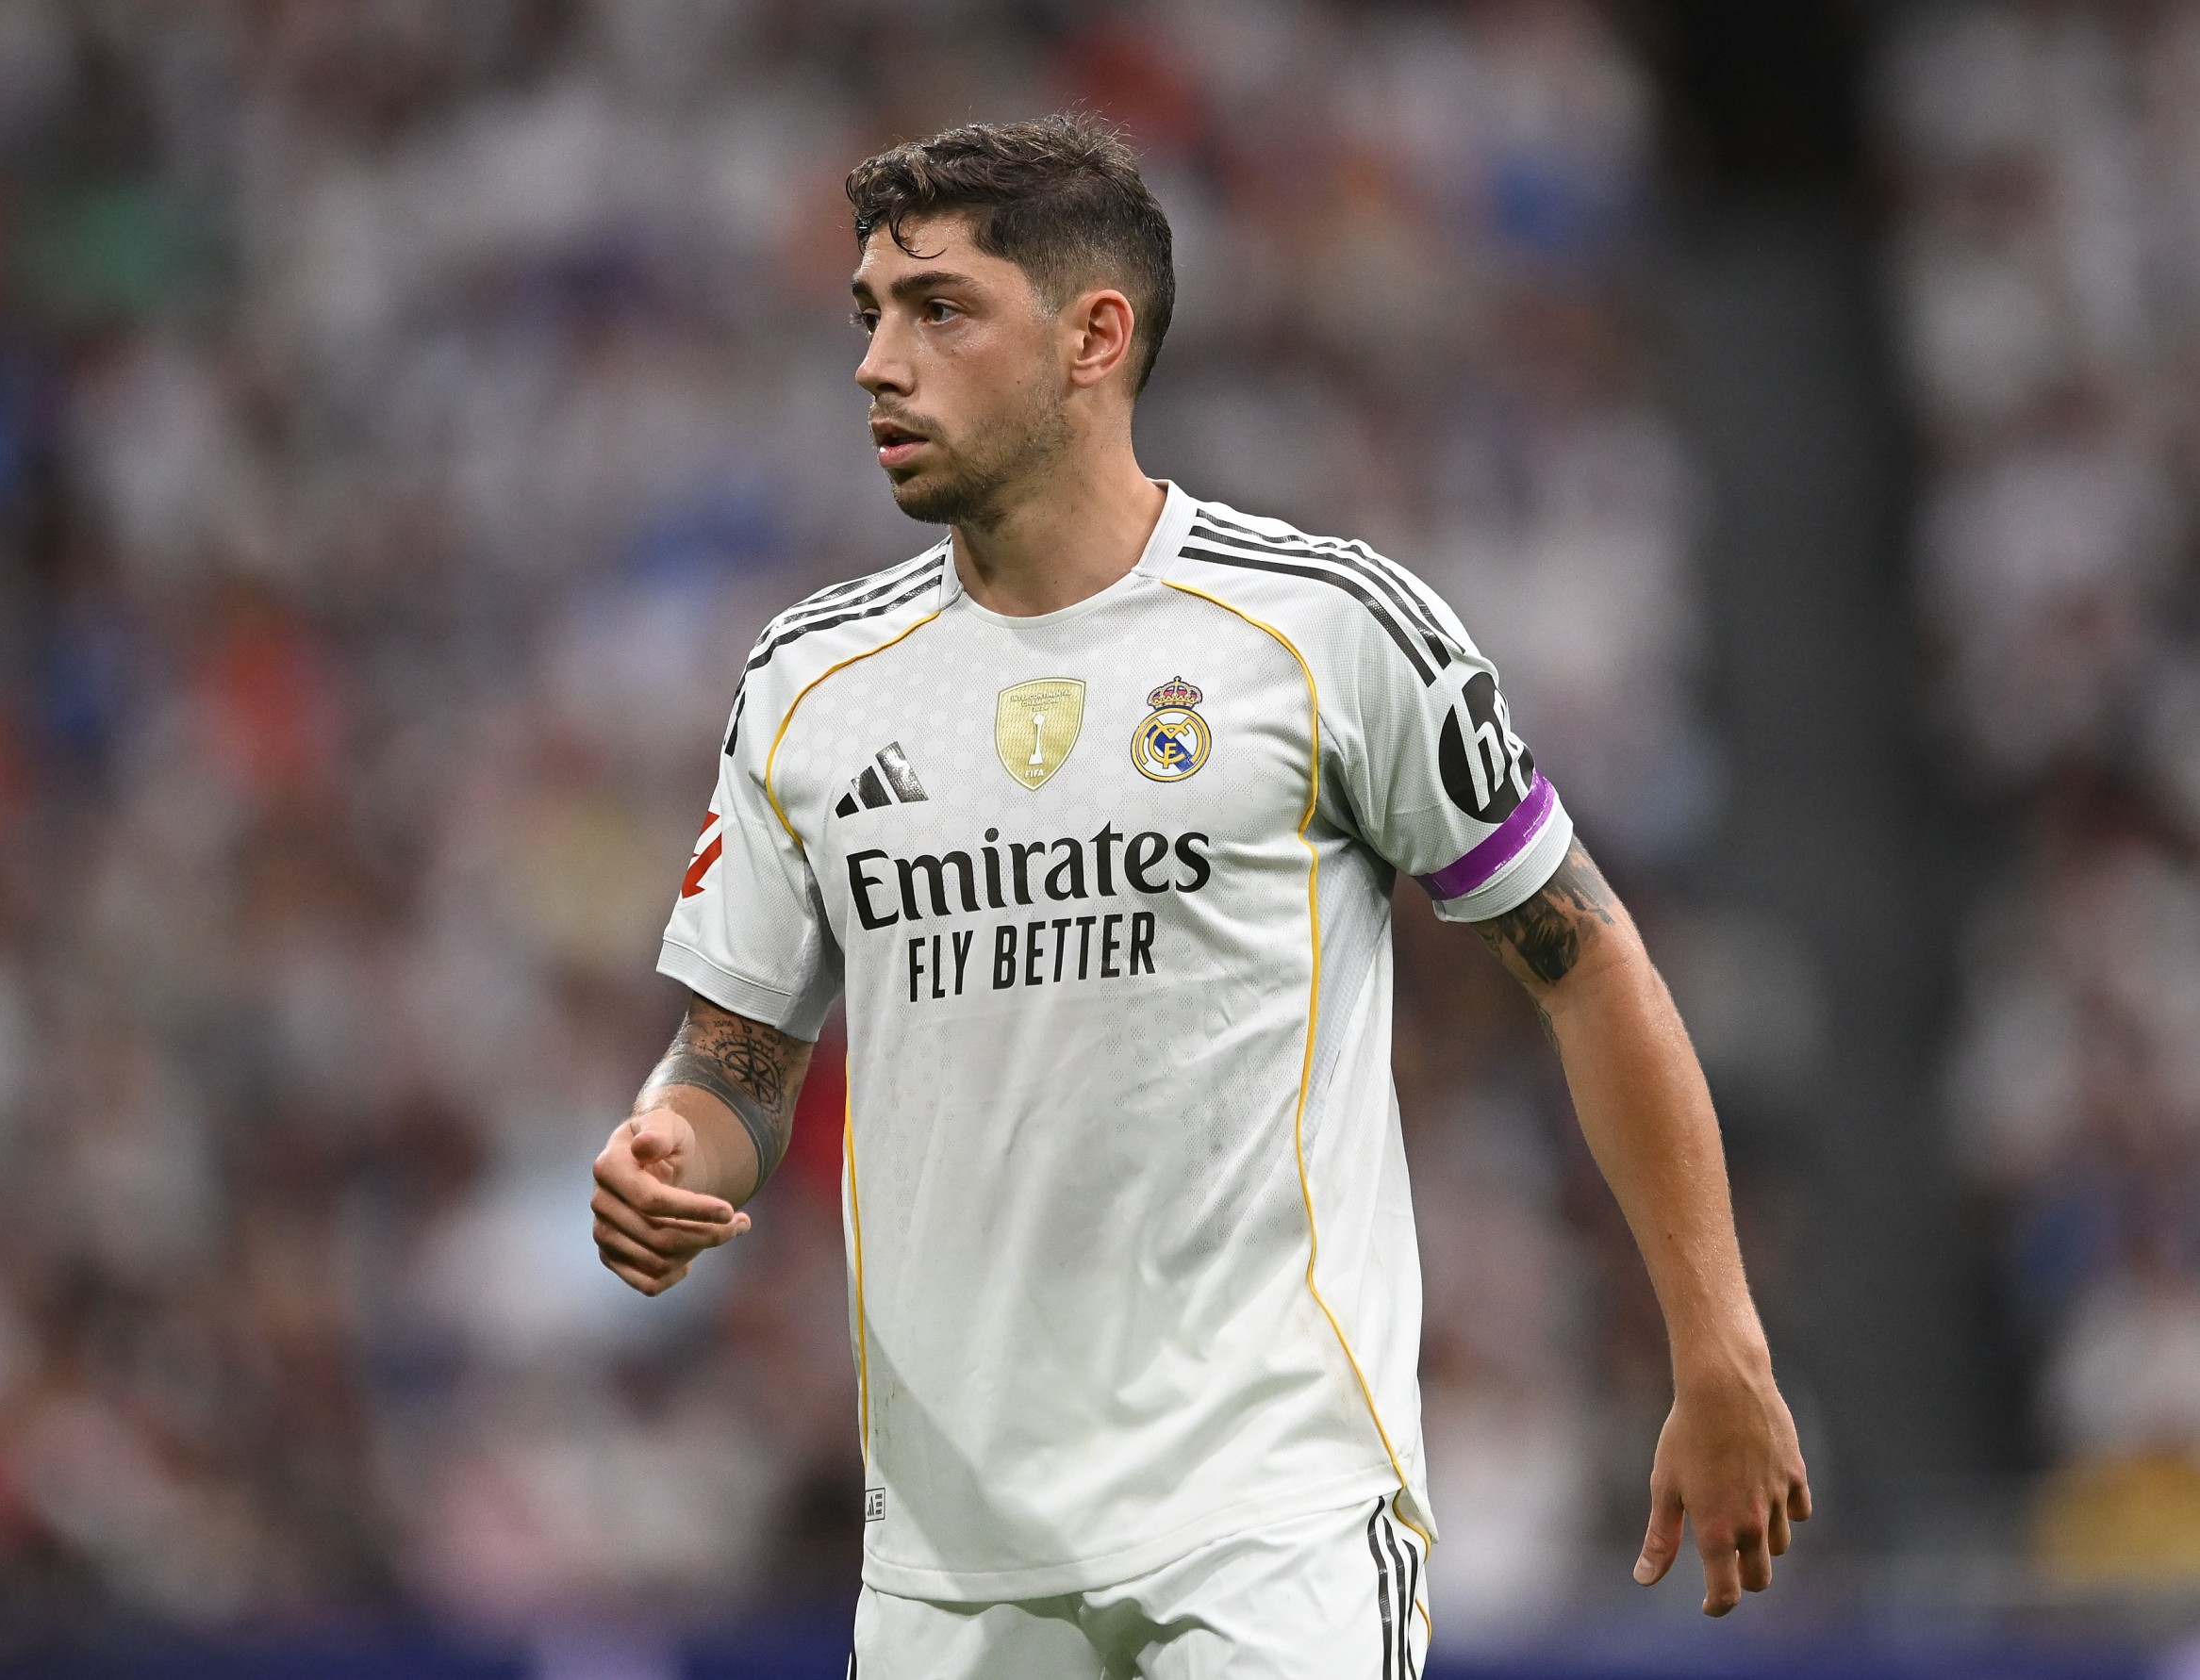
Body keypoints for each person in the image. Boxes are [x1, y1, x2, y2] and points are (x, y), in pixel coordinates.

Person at [590, 113, 1810, 1678]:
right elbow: (733, 1062)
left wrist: (1718, 1343)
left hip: (1273, 1521)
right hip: (955, 1562)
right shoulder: (810, 684)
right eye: (868, 317)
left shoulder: (1327, 631)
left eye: (939, 311)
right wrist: (666, 1150)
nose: (877, 364)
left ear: (1096, 337)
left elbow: (1585, 960)